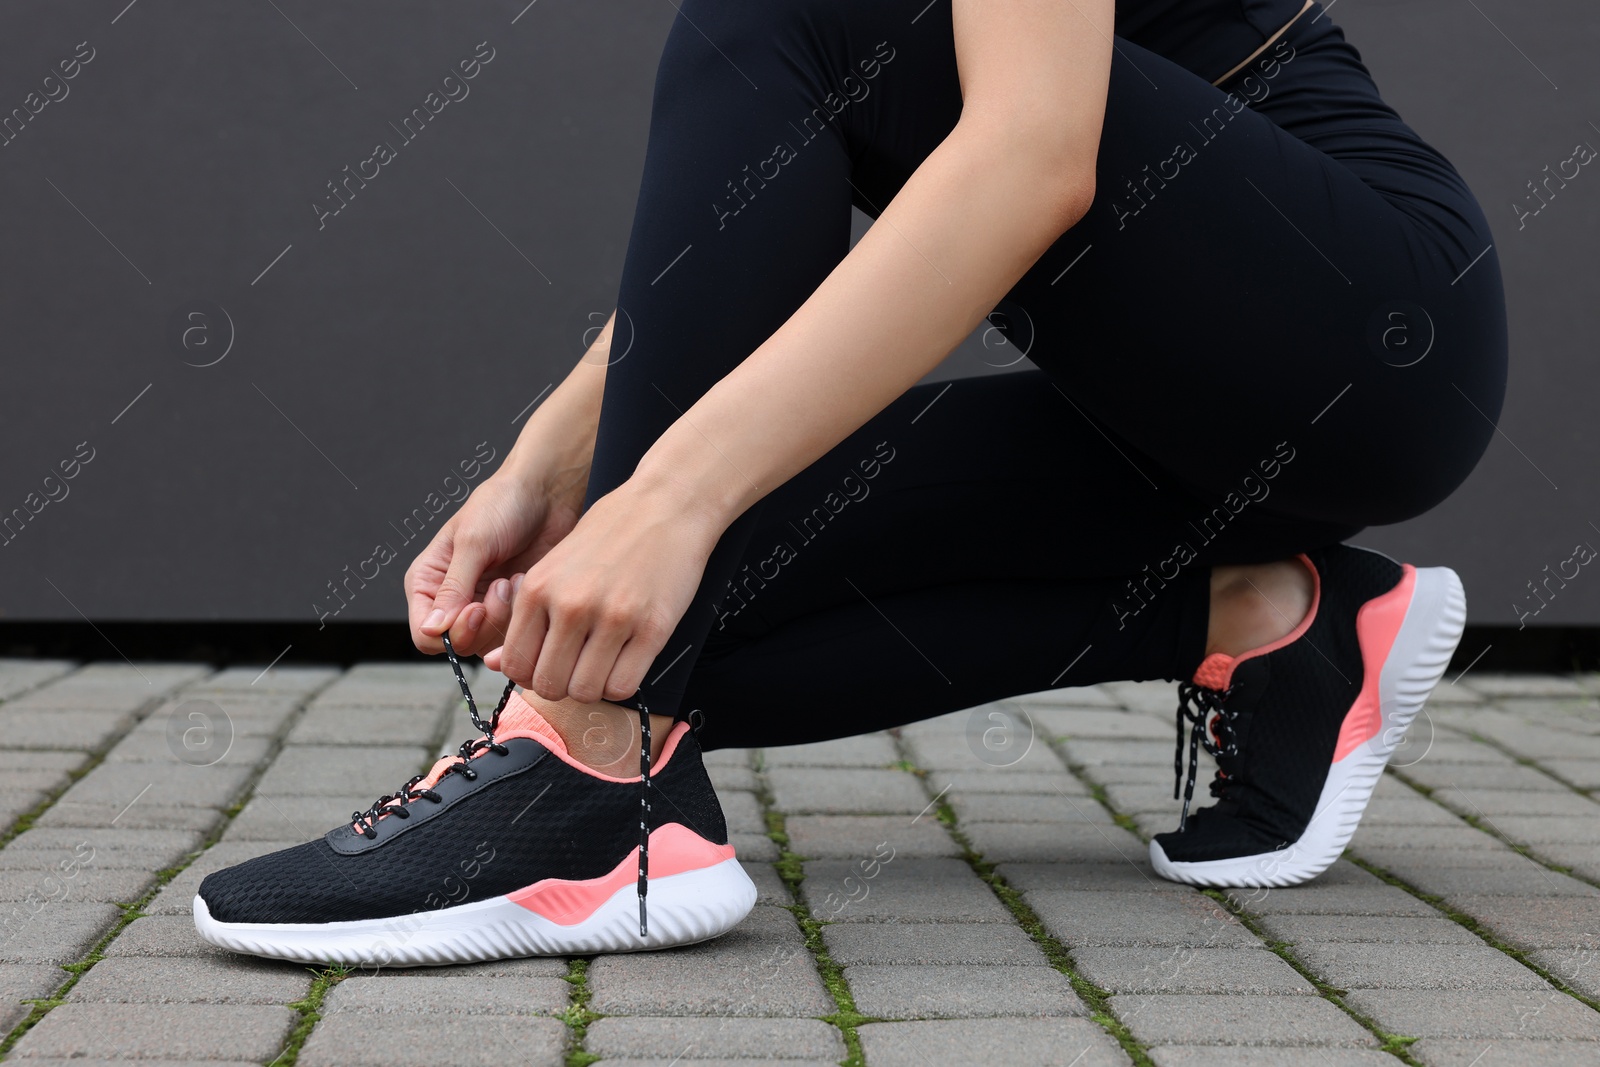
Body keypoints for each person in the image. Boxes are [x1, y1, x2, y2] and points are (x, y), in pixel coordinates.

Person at [193, 0, 1504, 965]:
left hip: (1368, 330)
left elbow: (1031, 156)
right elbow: (756, 219)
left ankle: (588, 779)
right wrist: (555, 477)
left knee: (791, 8)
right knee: (677, 622)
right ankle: (1277, 620)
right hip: (1178, 422)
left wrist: (667, 504)